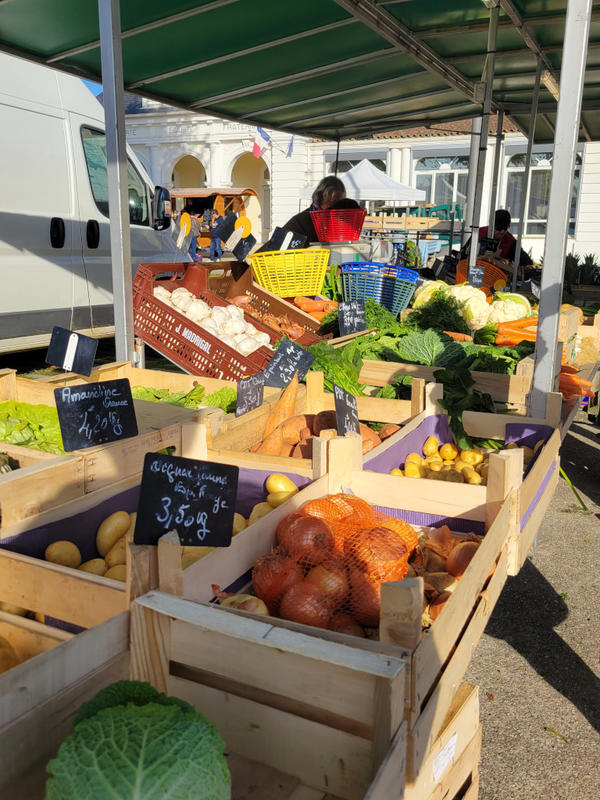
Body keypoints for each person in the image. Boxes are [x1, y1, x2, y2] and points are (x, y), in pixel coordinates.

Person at [283, 175, 346, 243]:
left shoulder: (341, 223)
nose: (336, 208)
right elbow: (273, 248)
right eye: (331, 201)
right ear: (319, 198)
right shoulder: (299, 222)